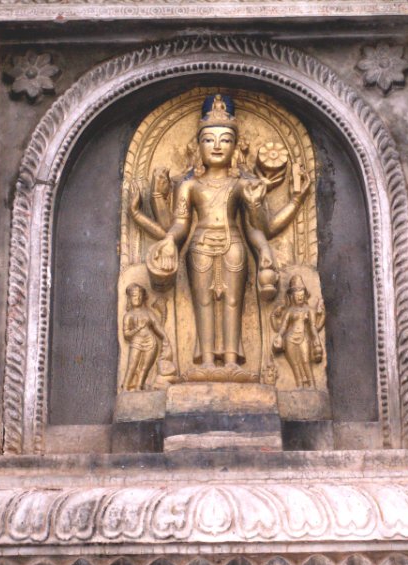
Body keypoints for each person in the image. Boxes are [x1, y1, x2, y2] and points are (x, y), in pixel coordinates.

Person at [147, 94, 308, 372]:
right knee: (203, 303)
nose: (217, 146)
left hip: (233, 245)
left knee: (234, 302)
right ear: (198, 146)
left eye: (225, 140)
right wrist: (170, 240)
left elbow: (259, 227)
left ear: (236, 147)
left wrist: (266, 240)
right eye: (209, 140)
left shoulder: (242, 184)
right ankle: (207, 361)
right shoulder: (189, 186)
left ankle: (233, 361)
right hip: (199, 247)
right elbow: (181, 223)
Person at [272, 275, 324, 388]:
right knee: (295, 364)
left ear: (305, 295)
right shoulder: (289, 311)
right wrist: (279, 336)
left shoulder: (309, 310)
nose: (299, 297)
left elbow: (313, 327)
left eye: (301, 294)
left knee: (305, 361)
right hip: (289, 338)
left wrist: (316, 338)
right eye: (297, 295)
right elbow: (283, 327)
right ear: (292, 296)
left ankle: (312, 385)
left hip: (303, 337)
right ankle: (299, 385)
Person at [122, 283, 172, 390]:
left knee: (145, 367)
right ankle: (125, 387)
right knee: (132, 365)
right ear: (129, 298)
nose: (138, 298)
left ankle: (139, 387)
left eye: (140, 295)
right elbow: (126, 334)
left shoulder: (148, 313)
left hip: (151, 342)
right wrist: (137, 329)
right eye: (134, 295)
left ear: (143, 297)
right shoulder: (128, 315)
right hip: (136, 342)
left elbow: (157, 326)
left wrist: (165, 337)